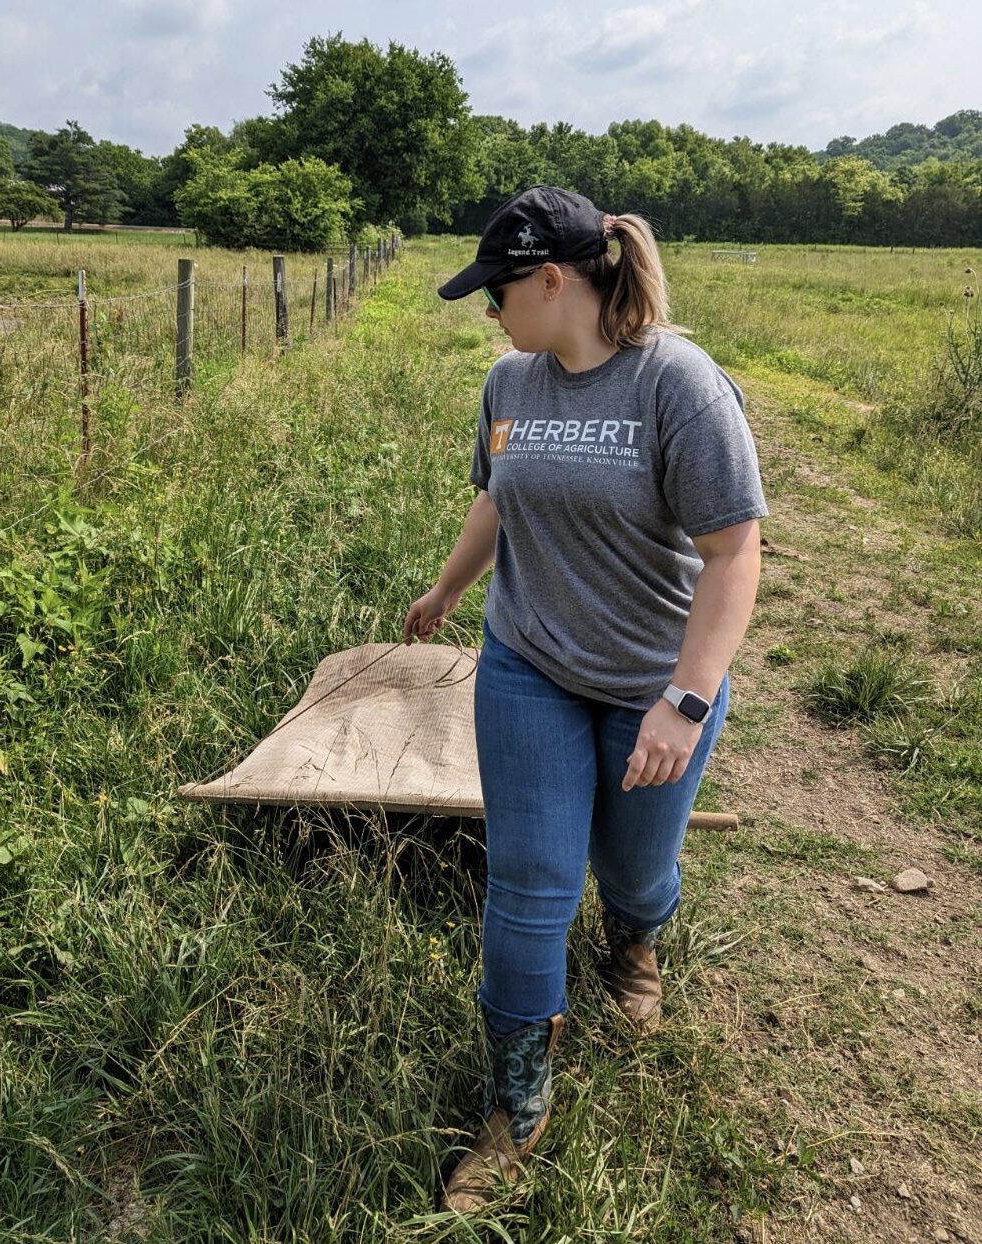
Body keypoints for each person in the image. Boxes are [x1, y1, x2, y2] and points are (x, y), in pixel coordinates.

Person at [402, 185, 767, 1213]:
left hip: (654, 686)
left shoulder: (679, 388)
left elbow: (734, 553)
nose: (488, 311)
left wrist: (685, 699)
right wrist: (445, 588)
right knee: (529, 881)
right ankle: (516, 1107)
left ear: (553, 280)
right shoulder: (507, 381)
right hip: (528, 666)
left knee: (633, 865)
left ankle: (635, 940)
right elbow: (494, 495)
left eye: (497, 291)